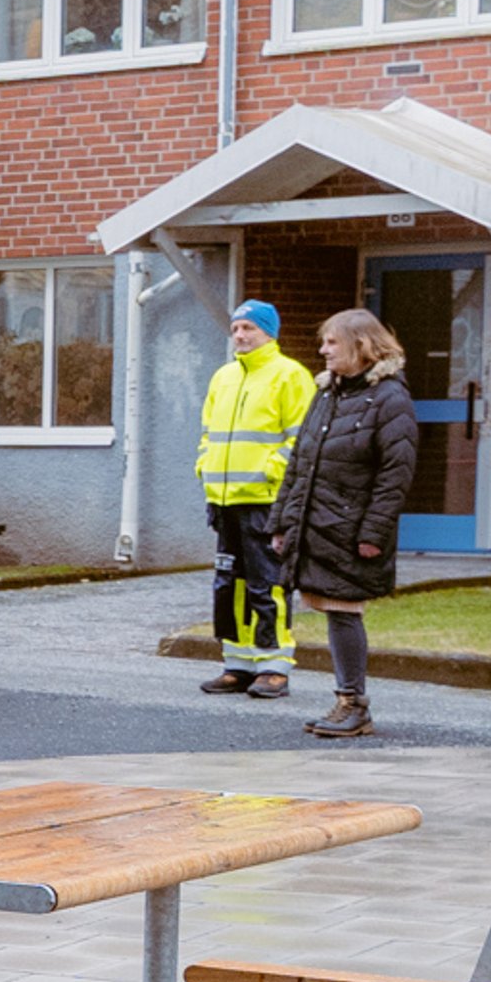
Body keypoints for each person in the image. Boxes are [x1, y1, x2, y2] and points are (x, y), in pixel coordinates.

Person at [272, 308, 419, 742]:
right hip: (318, 523)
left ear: (362, 345)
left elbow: (396, 474)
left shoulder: (390, 398)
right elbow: (300, 463)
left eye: (332, 342)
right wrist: (282, 522)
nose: (323, 350)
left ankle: (353, 703)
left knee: (344, 610)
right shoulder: (327, 393)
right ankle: (347, 701)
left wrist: (373, 533)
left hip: (350, 529)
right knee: (333, 610)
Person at [197, 300, 316, 702]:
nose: (240, 335)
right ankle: (238, 664)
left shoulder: (290, 376)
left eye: (249, 328)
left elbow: (300, 439)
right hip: (224, 500)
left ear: (269, 332)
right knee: (229, 585)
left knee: (268, 584)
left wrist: (270, 471)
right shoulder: (224, 377)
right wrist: (204, 466)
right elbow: (208, 433)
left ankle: (274, 666)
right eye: (235, 328)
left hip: (265, 501)